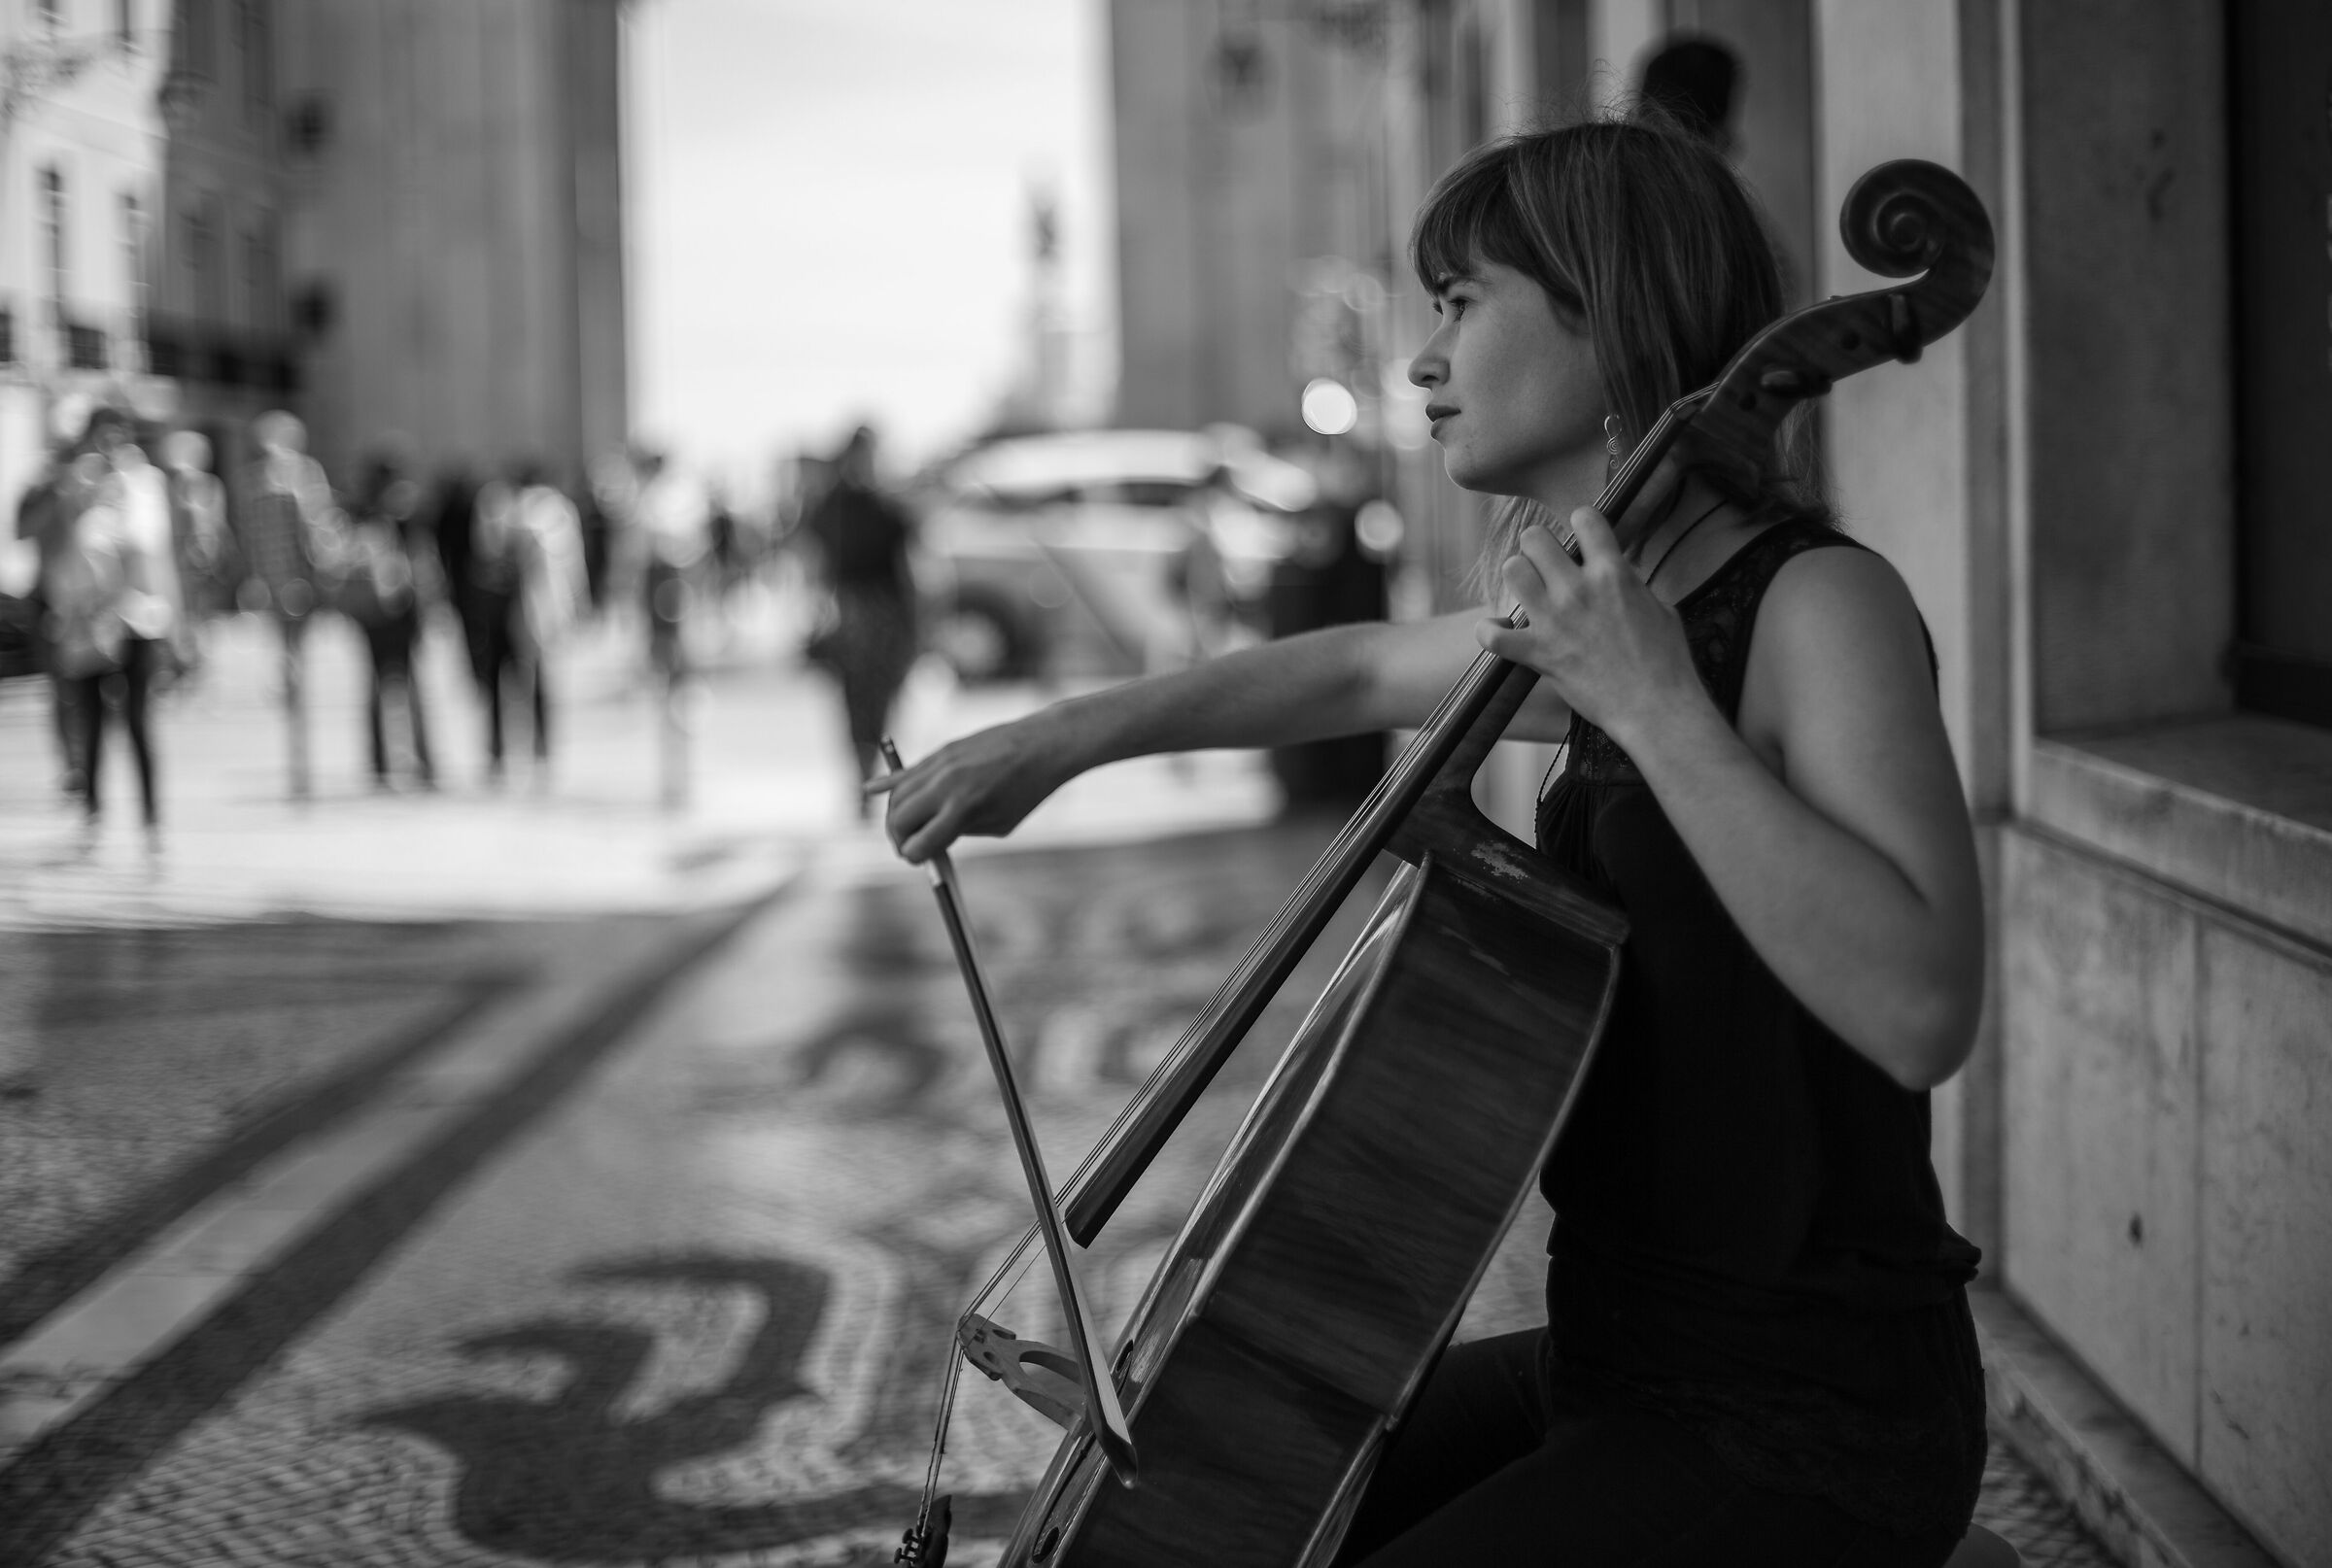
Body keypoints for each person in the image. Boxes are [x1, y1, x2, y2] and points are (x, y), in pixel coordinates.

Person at [872, 117, 1987, 1565]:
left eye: (1462, 302)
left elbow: (1922, 1004)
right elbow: (1343, 673)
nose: (1421, 356)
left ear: (1611, 315)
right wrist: (1058, 742)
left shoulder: (1812, 606)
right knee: (1220, 1495)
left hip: (1808, 1413)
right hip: (1608, 1357)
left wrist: (1651, 702)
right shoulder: (1595, 616)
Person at [47, 408, 181, 853]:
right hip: (87, 618)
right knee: (91, 720)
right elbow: (63, 545)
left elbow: (151, 547)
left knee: (140, 721)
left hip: (138, 616)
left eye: (117, 437)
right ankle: (93, 814)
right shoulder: (74, 482)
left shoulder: (143, 483)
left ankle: (151, 819)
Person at [802, 425, 918, 804]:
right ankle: (862, 777)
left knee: (881, 699)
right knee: (856, 700)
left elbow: (910, 567)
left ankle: (869, 777)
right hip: (854, 613)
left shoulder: (887, 507)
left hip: (883, 613)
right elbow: (817, 565)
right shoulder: (833, 507)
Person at [238, 410, 338, 801]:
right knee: (293, 662)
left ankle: (301, 765)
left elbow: (315, 529)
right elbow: (313, 529)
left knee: (294, 663)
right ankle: (300, 768)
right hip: (290, 583)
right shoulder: (284, 478)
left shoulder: (282, 477)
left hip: (290, 583)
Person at [339, 449, 435, 789]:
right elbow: (423, 562)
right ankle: (424, 763)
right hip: (401, 607)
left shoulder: (360, 511)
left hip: (372, 610)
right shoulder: (404, 509)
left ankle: (380, 764)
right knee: (410, 687)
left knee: (377, 686)